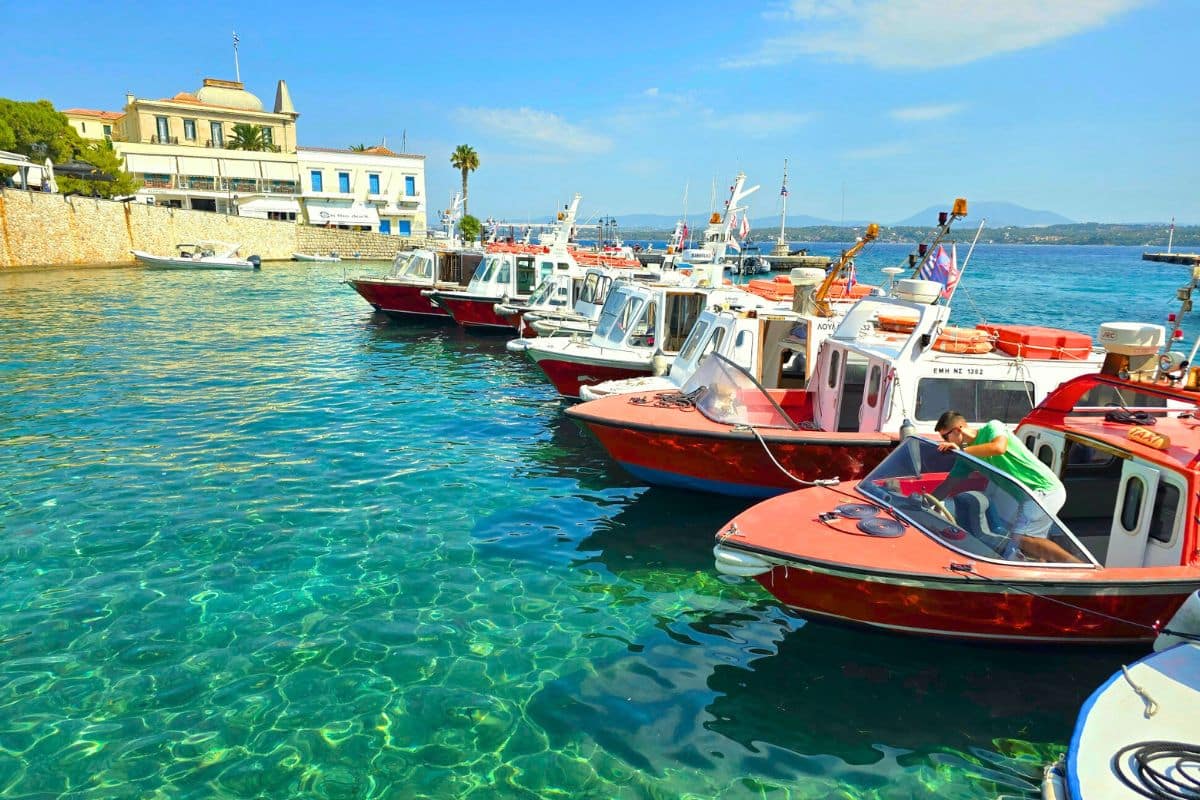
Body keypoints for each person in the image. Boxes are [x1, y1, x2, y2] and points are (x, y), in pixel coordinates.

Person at [932, 411, 1079, 563]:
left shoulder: (992, 427)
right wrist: (924, 502)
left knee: (1022, 538)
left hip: (1043, 489)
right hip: (1030, 495)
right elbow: (949, 484)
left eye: (945, 436)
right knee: (1029, 545)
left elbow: (999, 447)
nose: (944, 441)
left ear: (957, 430)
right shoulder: (966, 457)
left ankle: (1079, 567)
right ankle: (1045, 573)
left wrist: (960, 450)